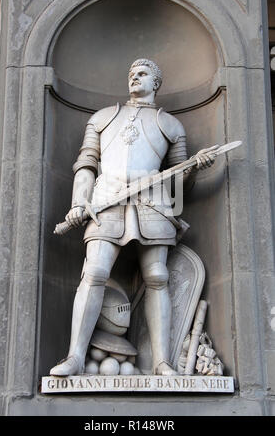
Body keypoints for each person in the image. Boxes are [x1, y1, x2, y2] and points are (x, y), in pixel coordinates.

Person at [50, 58, 215, 376]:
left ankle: (162, 362)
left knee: (157, 278)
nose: (134, 78)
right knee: (95, 272)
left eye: (142, 74)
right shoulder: (102, 117)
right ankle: (75, 357)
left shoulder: (171, 124)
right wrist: (77, 203)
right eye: (131, 74)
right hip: (106, 200)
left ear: (156, 83)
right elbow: (86, 165)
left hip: (153, 205)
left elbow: (177, 183)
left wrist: (194, 166)